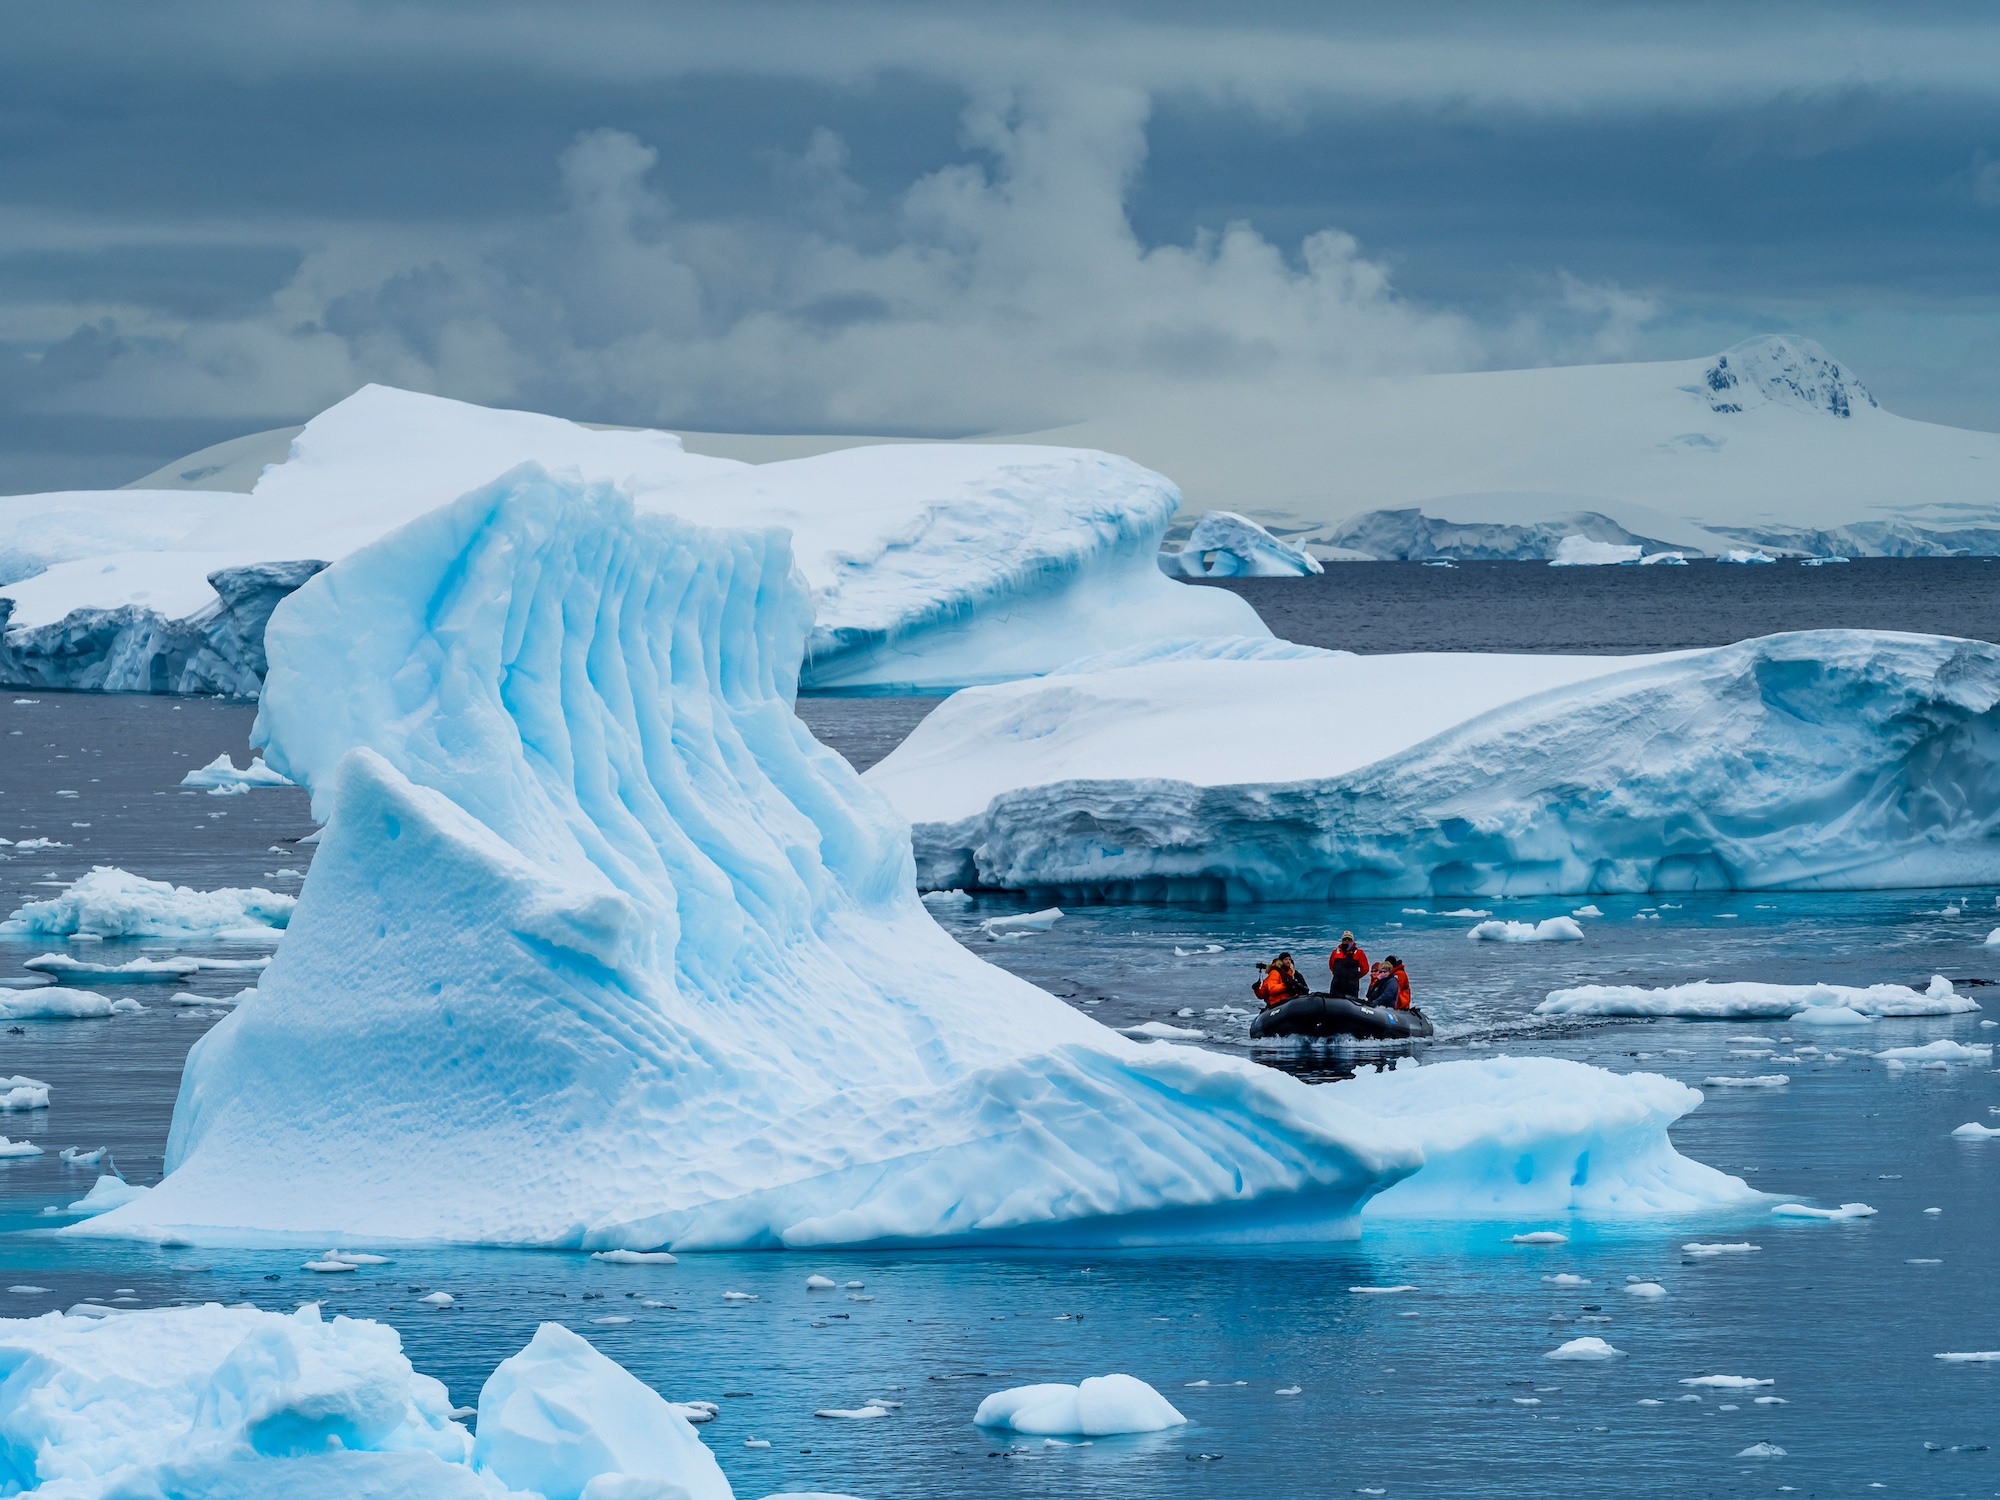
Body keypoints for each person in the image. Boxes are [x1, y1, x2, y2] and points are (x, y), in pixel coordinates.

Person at [1327, 931, 1368, 999]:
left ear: (1352, 941)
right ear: (1342, 940)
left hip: (1351, 984)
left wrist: (1355, 976)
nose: (1347, 941)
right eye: (1345, 939)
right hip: (1337, 983)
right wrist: (1337, 974)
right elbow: (1331, 966)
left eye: (1349, 939)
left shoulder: (1359, 953)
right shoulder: (1335, 952)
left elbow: (1365, 969)